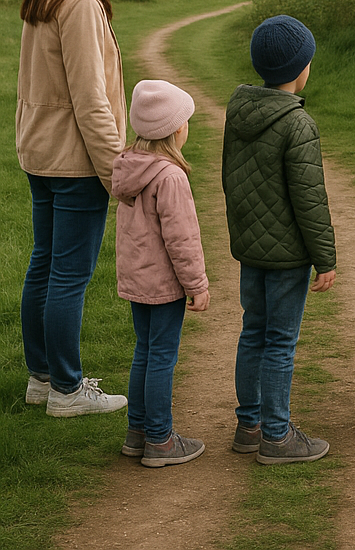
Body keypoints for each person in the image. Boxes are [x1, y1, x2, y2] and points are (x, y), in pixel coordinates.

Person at [17, 0, 128, 416]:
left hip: (40, 153)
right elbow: (90, 99)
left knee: (44, 266)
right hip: (74, 160)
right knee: (68, 275)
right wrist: (116, 172)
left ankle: (41, 378)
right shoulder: (80, 4)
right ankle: (66, 389)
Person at [222, 14, 337, 465]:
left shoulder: (238, 113)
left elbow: (232, 180)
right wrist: (324, 258)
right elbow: (311, 200)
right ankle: (276, 436)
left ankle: (248, 426)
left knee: (253, 332)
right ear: (299, 68)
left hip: (251, 248)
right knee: (280, 341)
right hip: (288, 257)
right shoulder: (298, 124)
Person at [112, 79, 210, 467]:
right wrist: (197, 285)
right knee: (162, 358)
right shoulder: (171, 177)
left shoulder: (130, 168)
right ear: (175, 130)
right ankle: (160, 439)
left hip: (137, 282)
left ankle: (137, 433)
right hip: (164, 285)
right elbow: (181, 239)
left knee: (145, 352)